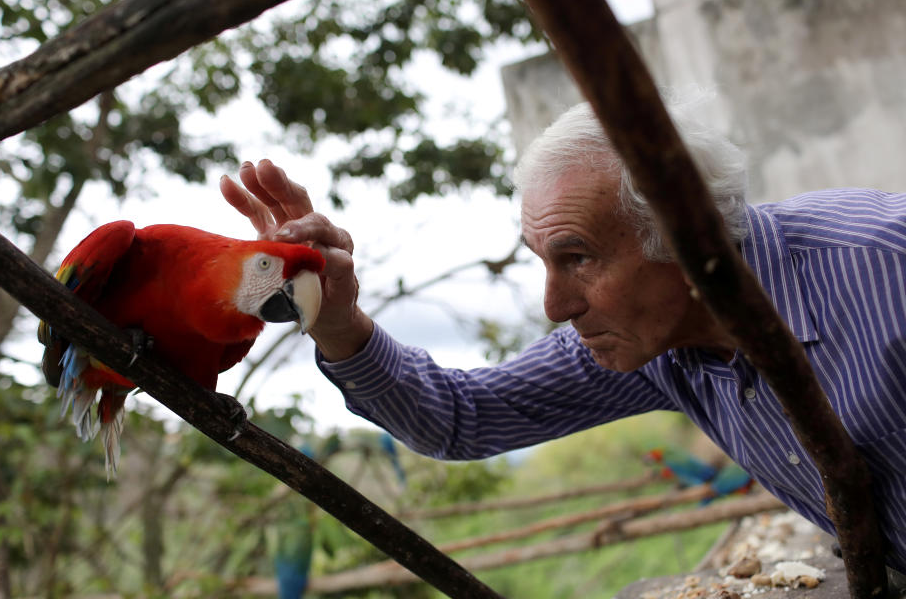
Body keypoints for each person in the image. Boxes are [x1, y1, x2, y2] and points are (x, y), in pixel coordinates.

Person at [220, 101, 906, 574]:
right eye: (542, 260)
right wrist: (338, 322)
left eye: (577, 257)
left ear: (688, 237)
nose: (554, 305)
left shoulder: (885, 265)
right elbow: (461, 417)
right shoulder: (652, 346)